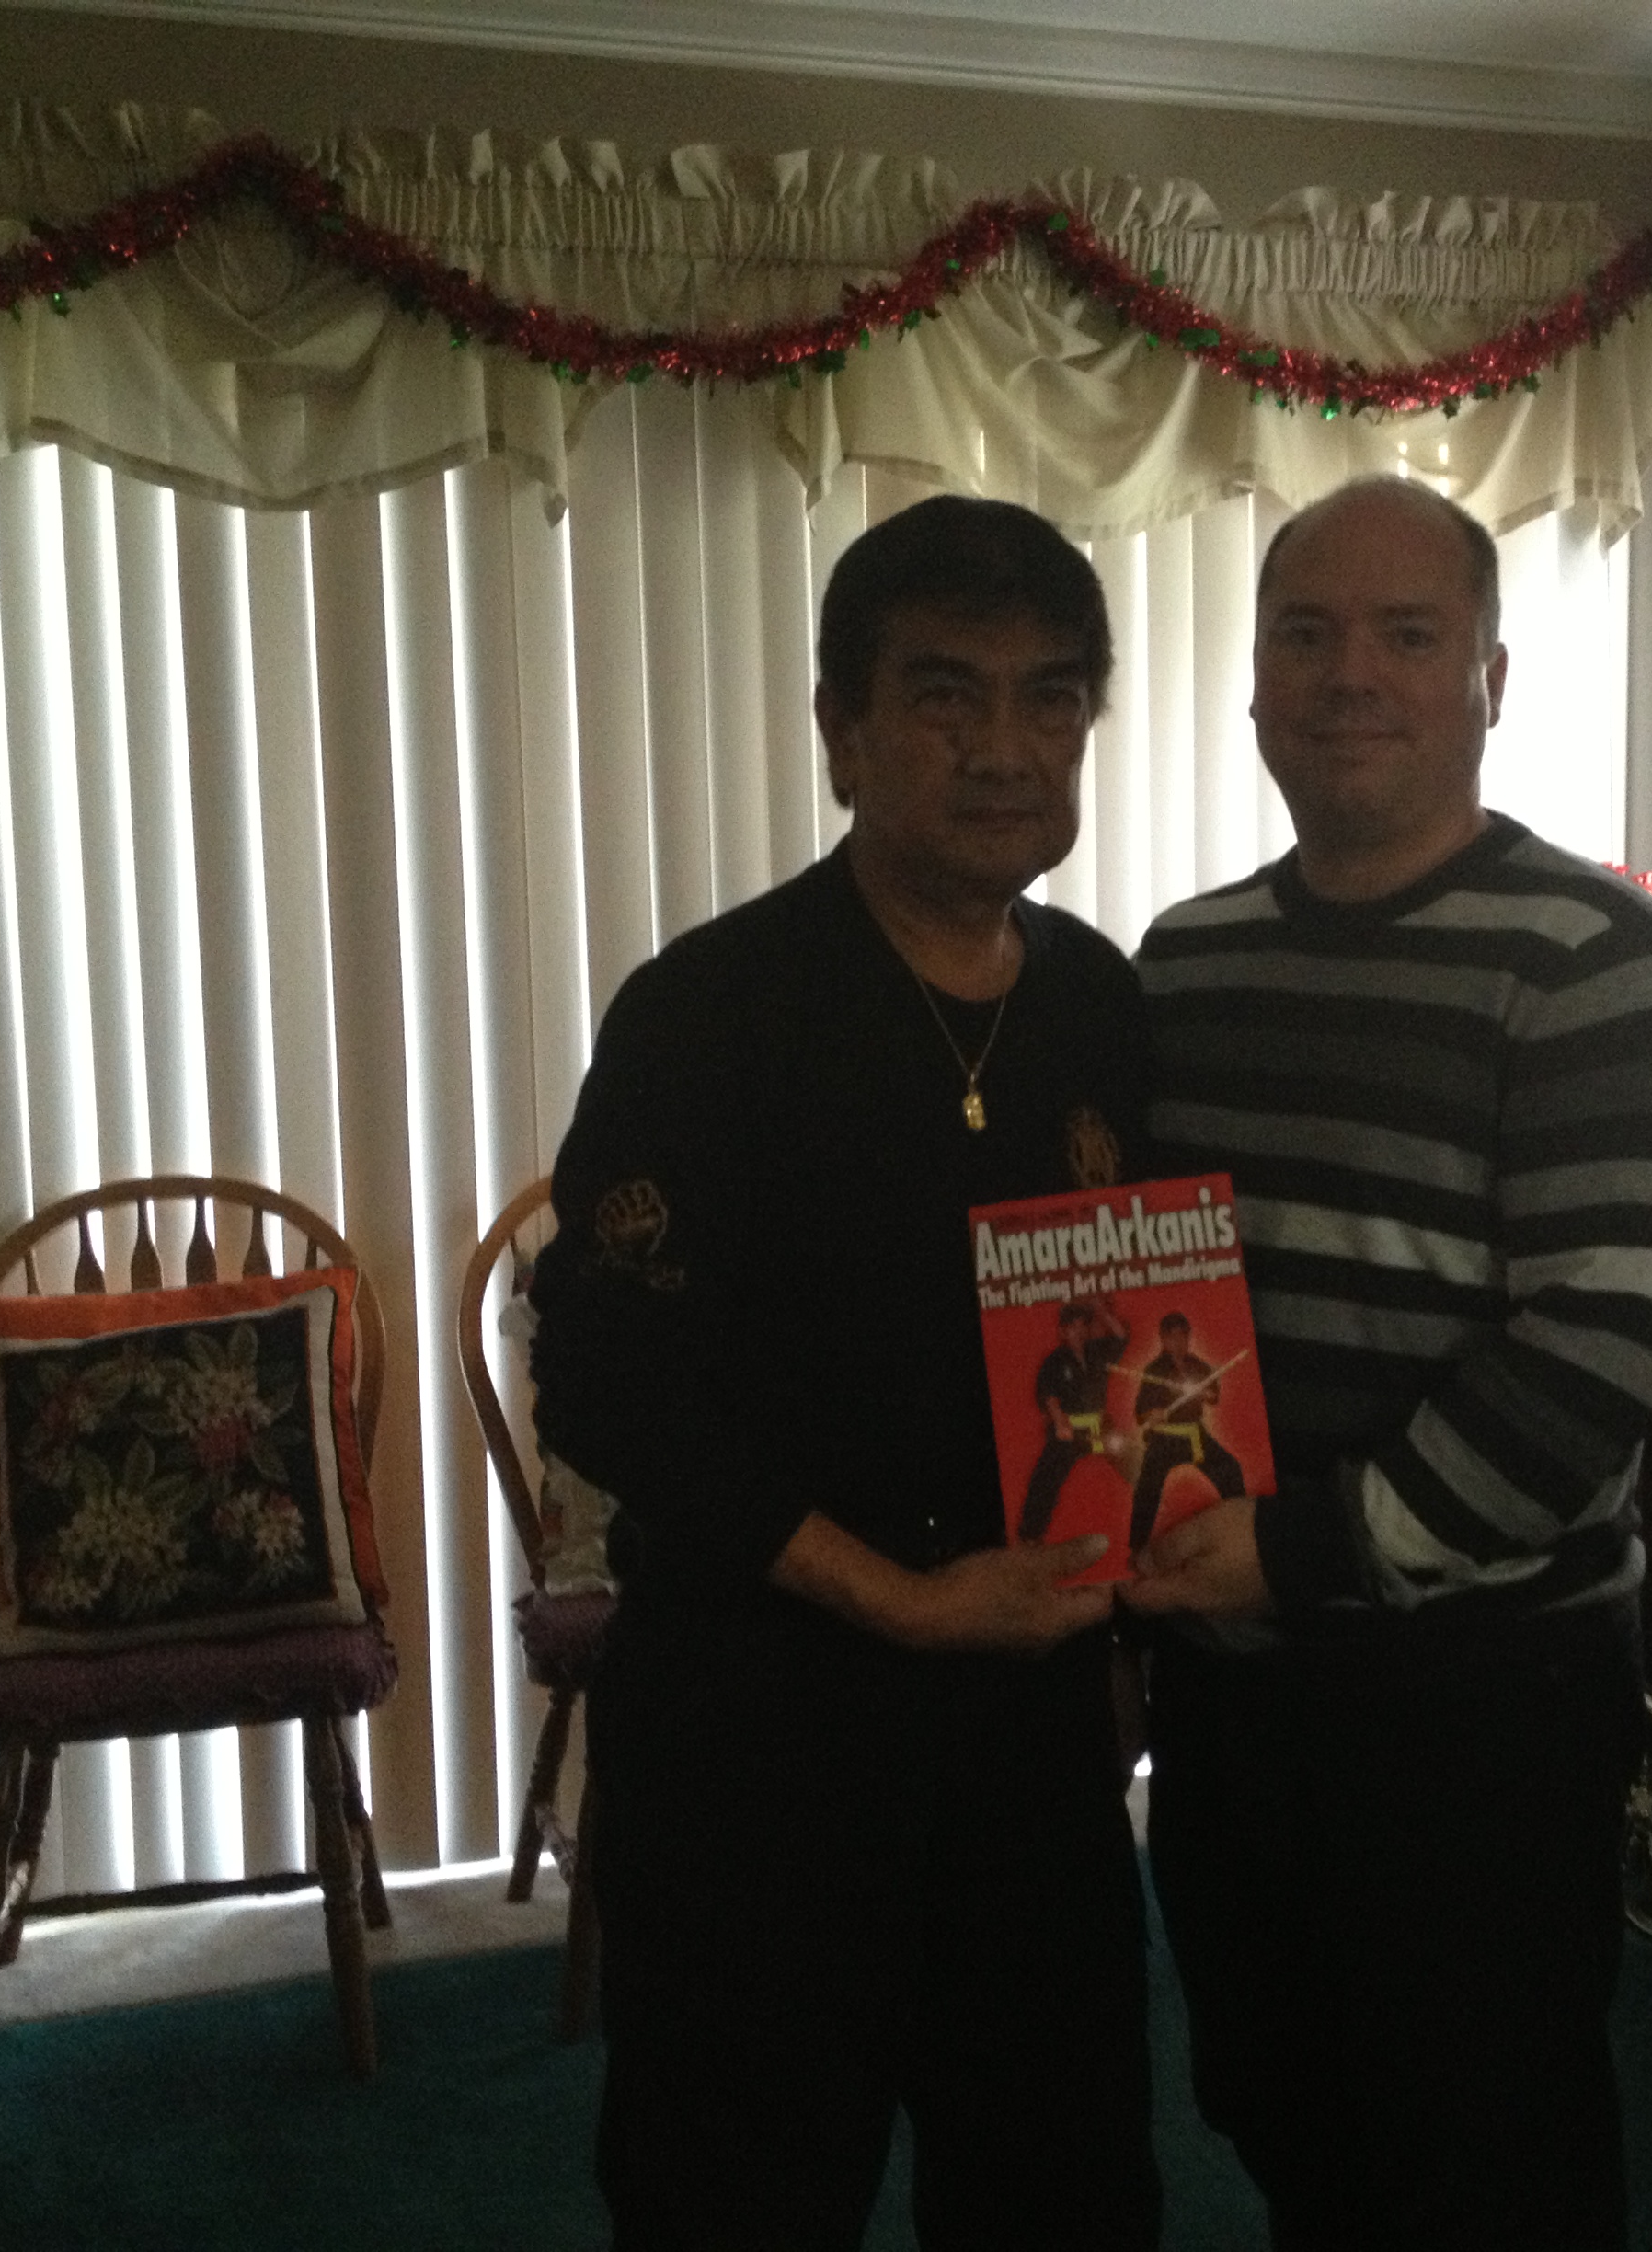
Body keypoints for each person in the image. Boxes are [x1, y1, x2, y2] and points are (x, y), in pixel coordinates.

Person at [530, 496, 1160, 2252]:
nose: (1002, 747)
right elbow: (605, 1381)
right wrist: (900, 1599)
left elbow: (1133, 1362)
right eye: (945, 694)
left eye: (1049, 697)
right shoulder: (706, 1012)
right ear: (840, 726)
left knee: (1063, 2203)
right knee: (734, 2204)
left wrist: (1126, 1616)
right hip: (758, 1748)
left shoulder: (1105, 1009)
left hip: (1032, 1750)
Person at [1124, 477, 1652, 2252]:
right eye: (1305, 634)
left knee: (1485, 2153)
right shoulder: (1182, 963)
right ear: (1252, 682)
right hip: (1231, 1680)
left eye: (1406, 634)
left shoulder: (1604, 964)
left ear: (1488, 677)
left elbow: (1595, 1356)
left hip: (1476, 1699)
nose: (1350, 676)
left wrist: (1294, 1549)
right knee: (1277, 2105)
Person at [1129, 1309, 1248, 1550]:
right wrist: (1153, 1414)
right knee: (1147, 1489)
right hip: (1164, 1439)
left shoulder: (1198, 1366)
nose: (1179, 1341)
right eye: (1172, 1336)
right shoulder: (1154, 1370)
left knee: (1230, 1468)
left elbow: (1213, 1396)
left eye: (1183, 1335)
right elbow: (1140, 1413)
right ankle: (1137, 1547)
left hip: (1195, 1436)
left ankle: (1240, 1528)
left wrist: (1206, 1393)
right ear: (1163, 1339)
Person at [1018, 1298, 1128, 1541]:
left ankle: (1152, 1515)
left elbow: (1120, 1337)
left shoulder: (1097, 1351)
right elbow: (1047, 1394)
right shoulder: (1054, 1361)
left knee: (1136, 1458)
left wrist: (1102, 1312)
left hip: (1100, 1427)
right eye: (1072, 1327)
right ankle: (1030, 1537)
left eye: (1082, 1326)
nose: (1078, 1332)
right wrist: (1059, 1420)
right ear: (1062, 1331)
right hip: (1070, 1430)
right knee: (1045, 1478)